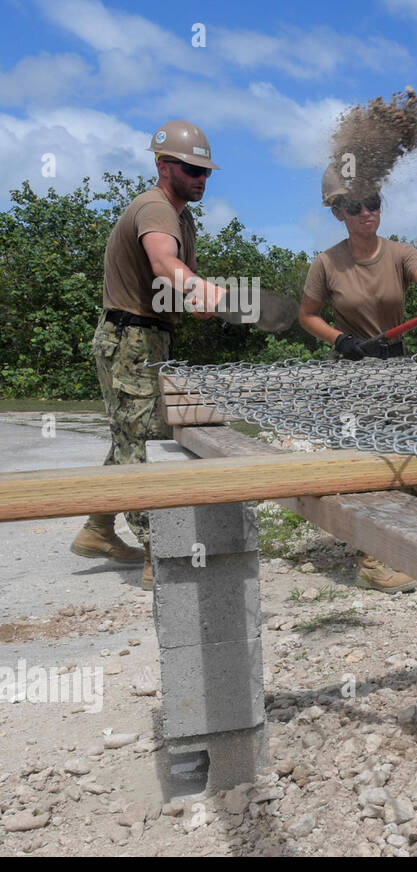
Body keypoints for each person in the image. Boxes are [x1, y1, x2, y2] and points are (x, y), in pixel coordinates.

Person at [298, 165, 417, 592]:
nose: (367, 213)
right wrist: (341, 340)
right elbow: (307, 316)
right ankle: (373, 561)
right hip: (354, 372)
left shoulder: (400, 253)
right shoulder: (326, 263)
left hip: (397, 368)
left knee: (405, 455)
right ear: (338, 212)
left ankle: (404, 545)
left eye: (373, 203)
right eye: (355, 206)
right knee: (364, 461)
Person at [71, 120, 227, 590]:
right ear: (163, 165)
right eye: (190, 168)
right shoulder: (156, 209)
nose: (200, 178)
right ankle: (156, 552)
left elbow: (169, 283)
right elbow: (164, 262)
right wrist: (203, 290)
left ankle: (97, 529)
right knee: (140, 441)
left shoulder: (182, 216)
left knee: (129, 433)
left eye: (206, 171)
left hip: (150, 336)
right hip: (130, 340)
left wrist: (196, 302)